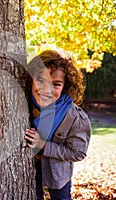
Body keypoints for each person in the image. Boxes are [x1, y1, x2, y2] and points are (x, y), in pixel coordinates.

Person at [24, 49, 91, 200]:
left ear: (65, 86)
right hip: (30, 171)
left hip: (58, 174)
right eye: (41, 80)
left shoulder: (74, 117)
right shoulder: (23, 104)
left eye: (56, 84)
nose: (46, 89)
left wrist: (42, 145)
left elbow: (78, 152)